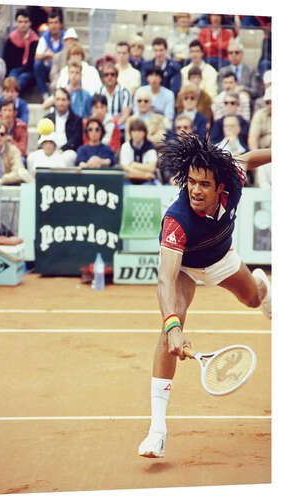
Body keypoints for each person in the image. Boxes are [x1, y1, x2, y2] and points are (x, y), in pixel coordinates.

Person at [138, 132, 271, 459]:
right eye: (191, 182)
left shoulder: (233, 179)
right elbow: (165, 279)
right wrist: (173, 327)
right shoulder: (176, 220)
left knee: (253, 300)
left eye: (204, 185)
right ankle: (157, 430)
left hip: (222, 259)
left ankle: (264, 290)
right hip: (184, 269)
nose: (196, 190)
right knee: (172, 323)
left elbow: (251, 157)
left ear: (220, 187)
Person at [0, 120, 34, 185]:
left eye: (2, 134)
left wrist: (3, 180)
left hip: (5, 185)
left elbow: (19, 171)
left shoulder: (13, 150)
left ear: (6, 136)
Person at [2, 8, 39, 94]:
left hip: (29, 72)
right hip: (14, 70)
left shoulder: (35, 39)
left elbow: (31, 63)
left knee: (22, 79)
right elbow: (6, 60)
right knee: (11, 79)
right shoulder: (11, 38)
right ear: (16, 23)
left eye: (26, 22)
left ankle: (12, 99)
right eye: (20, 22)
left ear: (30, 23)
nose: (23, 25)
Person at [45, 87, 83, 166]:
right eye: (58, 99)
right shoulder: (47, 118)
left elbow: (76, 140)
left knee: (66, 158)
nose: (60, 103)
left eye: (63, 100)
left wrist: (61, 149)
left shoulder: (76, 120)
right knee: (31, 158)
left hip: (67, 151)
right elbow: (42, 138)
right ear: (54, 101)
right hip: (49, 150)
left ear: (69, 101)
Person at [34, 8, 65, 100]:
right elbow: (36, 57)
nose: (53, 26)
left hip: (61, 68)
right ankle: (44, 94)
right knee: (37, 65)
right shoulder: (45, 38)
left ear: (60, 24)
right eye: (51, 23)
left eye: (56, 23)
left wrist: (57, 56)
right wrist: (45, 55)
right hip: (49, 67)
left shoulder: (66, 36)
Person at [98, 63, 133, 141]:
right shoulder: (98, 92)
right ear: (103, 77)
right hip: (102, 127)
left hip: (119, 127)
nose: (109, 77)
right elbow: (96, 113)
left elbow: (125, 115)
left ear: (116, 76)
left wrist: (112, 124)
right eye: (106, 75)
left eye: (112, 74)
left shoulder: (125, 92)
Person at [120, 118, 159, 185]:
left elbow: (151, 168)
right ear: (130, 133)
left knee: (149, 186)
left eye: (139, 131)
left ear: (144, 133)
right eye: (134, 131)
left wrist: (133, 164)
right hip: (130, 179)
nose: (137, 134)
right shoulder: (125, 146)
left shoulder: (150, 147)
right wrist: (144, 175)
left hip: (147, 181)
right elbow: (125, 169)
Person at [49, 27, 79, 94]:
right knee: (54, 85)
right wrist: (63, 81)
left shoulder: (85, 56)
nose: (71, 43)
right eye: (68, 41)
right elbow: (54, 73)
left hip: (79, 80)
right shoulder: (58, 56)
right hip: (62, 80)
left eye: (73, 40)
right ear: (64, 42)